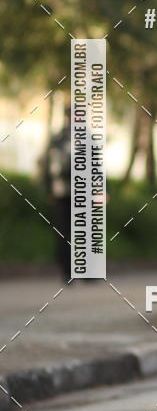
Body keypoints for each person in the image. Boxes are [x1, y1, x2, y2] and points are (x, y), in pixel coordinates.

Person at [42, 104, 72, 284]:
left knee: (63, 232)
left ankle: (67, 271)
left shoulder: (57, 138)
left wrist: (48, 188)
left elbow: (47, 164)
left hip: (60, 191)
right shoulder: (86, 137)